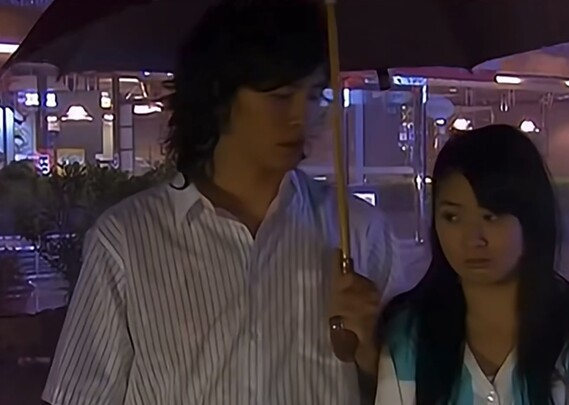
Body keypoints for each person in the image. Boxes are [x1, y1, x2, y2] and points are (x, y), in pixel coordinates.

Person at [42, 2, 404, 404]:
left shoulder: (360, 231)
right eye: (281, 97)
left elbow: (410, 389)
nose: (301, 116)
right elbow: (81, 394)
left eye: (315, 95)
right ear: (219, 96)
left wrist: (370, 354)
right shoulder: (127, 241)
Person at [375, 125, 569, 405]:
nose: (473, 239)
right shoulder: (410, 329)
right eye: (452, 217)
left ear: (530, 218)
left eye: (491, 216)